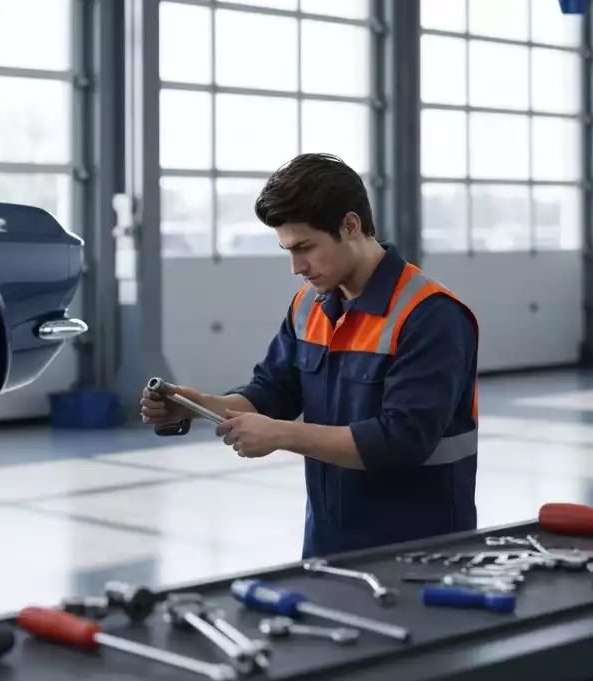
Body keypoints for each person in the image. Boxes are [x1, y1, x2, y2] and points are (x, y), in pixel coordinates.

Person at [140, 153, 478, 558]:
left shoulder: (430, 315)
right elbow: (272, 391)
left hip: (420, 549)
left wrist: (281, 434)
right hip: (328, 543)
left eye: (305, 247)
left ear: (350, 226)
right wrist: (199, 406)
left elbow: (401, 442)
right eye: (287, 249)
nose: (296, 267)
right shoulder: (309, 306)